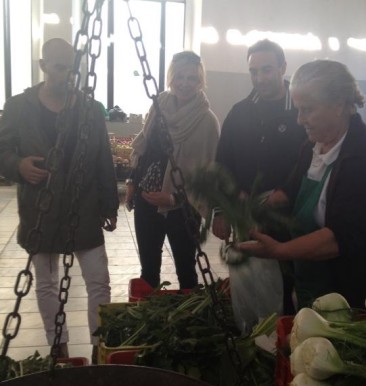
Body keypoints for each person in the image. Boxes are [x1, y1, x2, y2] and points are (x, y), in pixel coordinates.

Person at [238, 59, 366, 310]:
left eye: (308, 109)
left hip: (362, 284)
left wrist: (279, 250)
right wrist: (256, 209)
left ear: (339, 105)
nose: (300, 120)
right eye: (298, 109)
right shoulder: (313, 145)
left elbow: (339, 239)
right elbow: (290, 191)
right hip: (318, 274)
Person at [0, 38, 119, 361]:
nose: (67, 75)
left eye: (72, 68)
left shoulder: (90, 109)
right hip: (41, 210)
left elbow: (102, 160)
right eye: (59, 67)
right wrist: (19, 166)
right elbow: (3, 150)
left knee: (99, 281)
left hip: (84, 207)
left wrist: (110, 205)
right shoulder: (18, 107)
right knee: (46, 283)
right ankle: (59, 346)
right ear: (43, 66)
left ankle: (100, 346)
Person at [212, 39, 307, 314]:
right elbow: (222, 164)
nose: (260, 78)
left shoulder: (300, 111)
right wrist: (220, 210)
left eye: (267, 70)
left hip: (293, 216)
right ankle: (253, 335)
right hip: (247, 217)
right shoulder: (240, 112)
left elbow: (311, 161)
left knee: (290, 282)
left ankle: (283, 338)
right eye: (254, 71)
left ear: (283, 67)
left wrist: (285, 193)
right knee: (251, 281)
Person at [126, 50, 220, 290]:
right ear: (171, 78)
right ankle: (151, 320)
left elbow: (207, 174)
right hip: (146, 199)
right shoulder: (159, 106)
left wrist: (173, 197)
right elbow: (145, 148)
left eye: (192, 78)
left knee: (186, 269)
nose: (185, 84)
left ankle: (187, 323)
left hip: (183, 207)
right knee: (148, 269)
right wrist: (132, 182)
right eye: (180, 77)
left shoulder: (207, 120)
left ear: (200, 81)